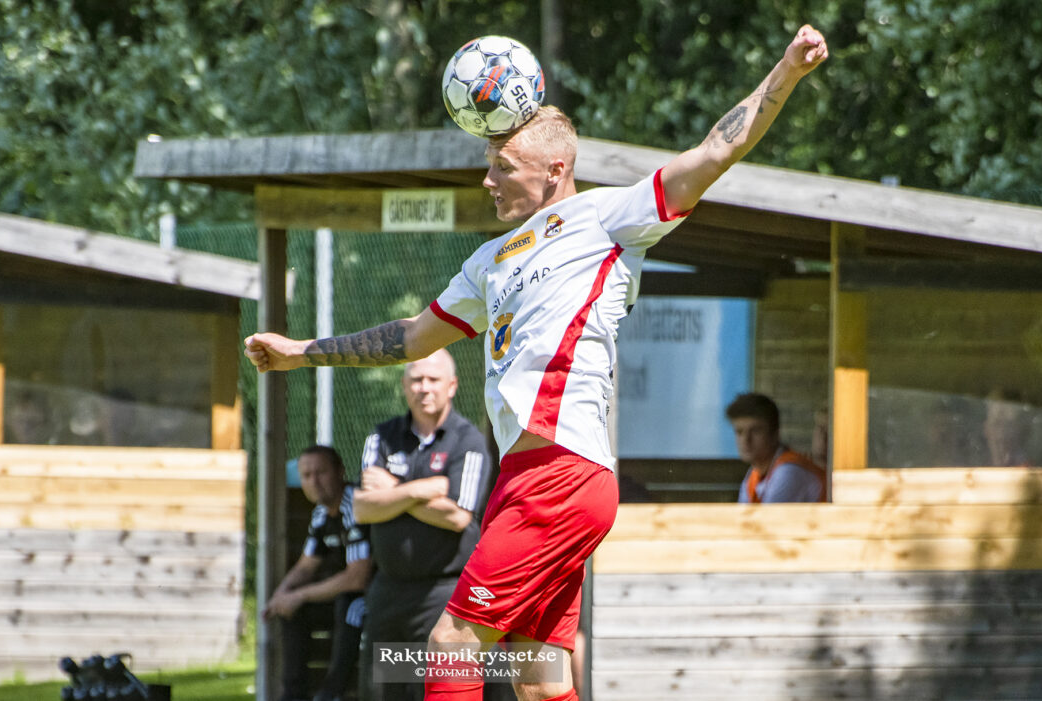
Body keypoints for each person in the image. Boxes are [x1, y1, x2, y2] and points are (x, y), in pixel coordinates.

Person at [246, 25, 828, 701]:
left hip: (562, 472)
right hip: (523, 478)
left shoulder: (607, 217)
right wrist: (301, 352)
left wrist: (787, 70)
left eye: (502, 166)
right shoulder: (488, 262)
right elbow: (412, 337)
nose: (486, 178)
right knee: (537, 674)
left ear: (554, 169)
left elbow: (716, 149)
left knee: (452, 645)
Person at [353, 349, 504, 701]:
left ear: (451, 386)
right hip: (388, 589)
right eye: (416, 379)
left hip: (444, 592)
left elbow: (458, 516)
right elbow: (362, 508)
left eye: (433, 379)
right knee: (380, 692)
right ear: (404, 385)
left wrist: (393, 491)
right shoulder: (382, 436)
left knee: (438, 689)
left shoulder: (468, 441)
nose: (424, 387)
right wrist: (421, 490)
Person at [263, 445, 373, 701]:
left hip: (376, 596)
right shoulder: (321, 513)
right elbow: (306, 566)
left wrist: (299, 595)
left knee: (349, 605)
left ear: (340, 471)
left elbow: (358, 578)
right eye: (306, 475)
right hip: (343, 595)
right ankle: (293, 695)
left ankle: (332, 693)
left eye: (321, 472)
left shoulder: (356, 506)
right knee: (293, 610)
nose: (314, 481)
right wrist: (281, 596)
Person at [726, 393, 826, 503]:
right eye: (739, 432)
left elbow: (767, 514)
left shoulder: (789, 470)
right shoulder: (755, 474)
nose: (746, 440)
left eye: (755, 431)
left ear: (774, 434)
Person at [983, 389, 1032, 467]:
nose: (1001, 433)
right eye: (997, 424)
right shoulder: (972, 466)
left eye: (1008, 425)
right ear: (986, 429)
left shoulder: (1029, 469)